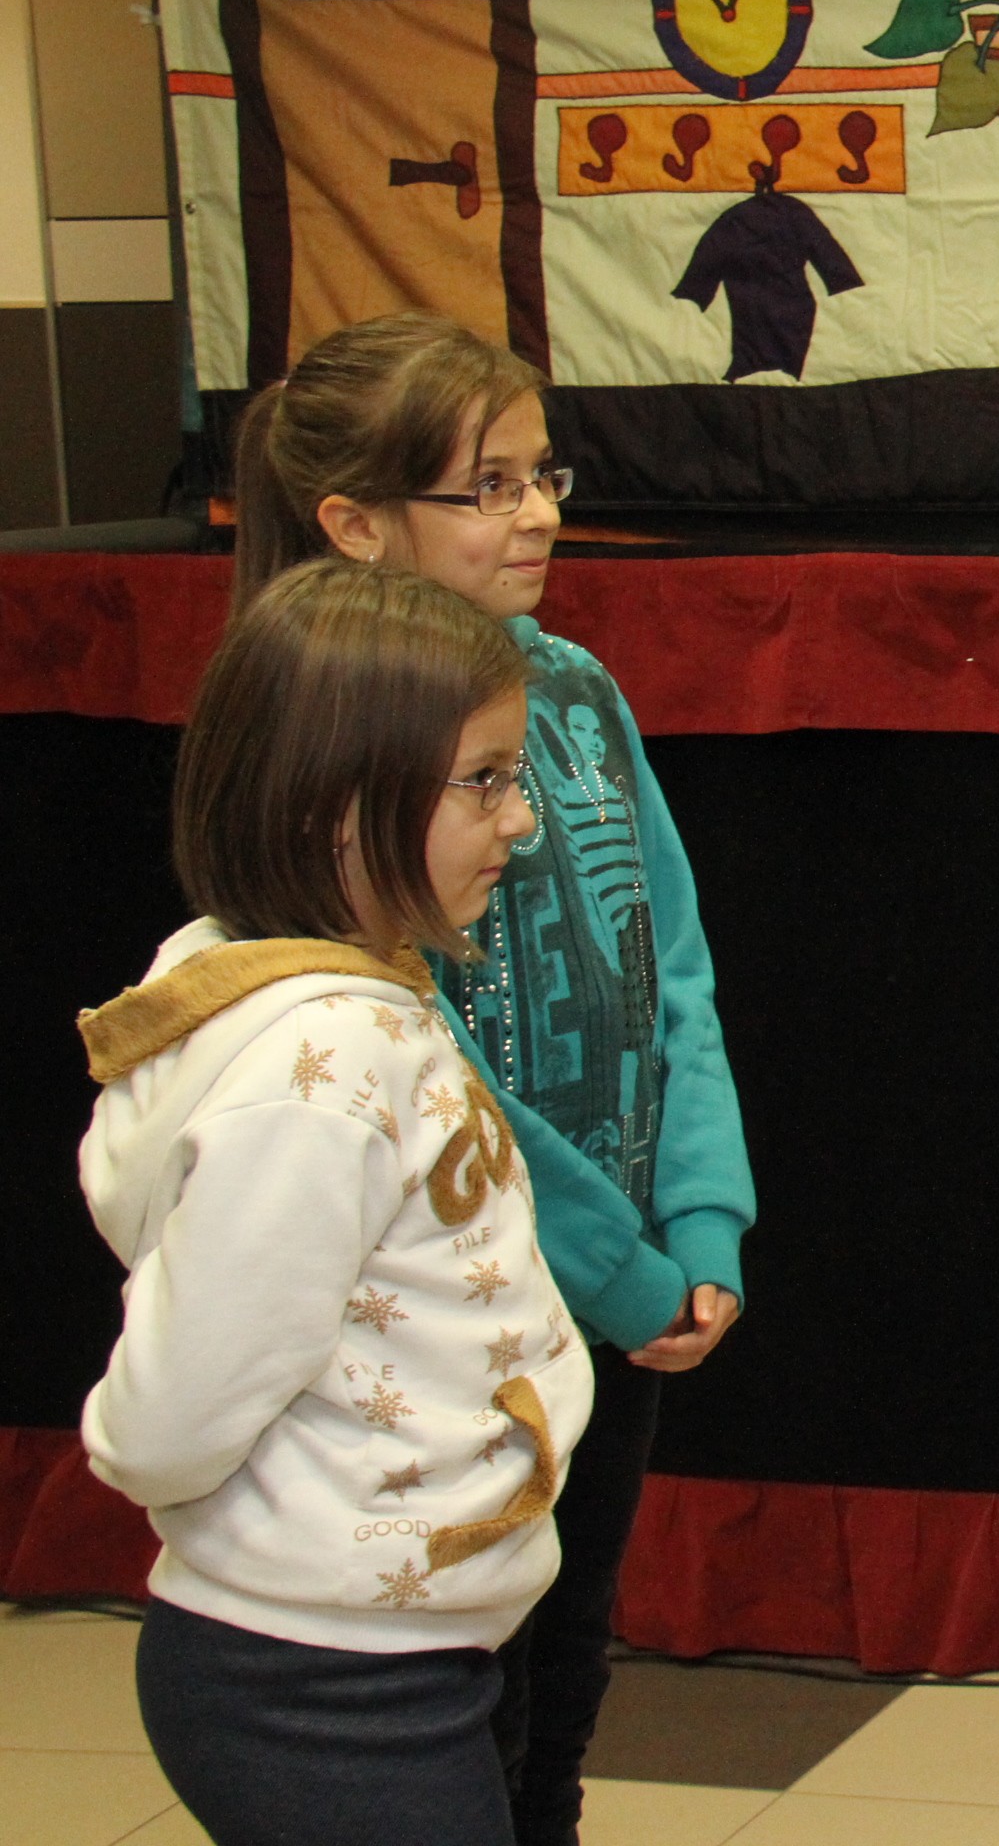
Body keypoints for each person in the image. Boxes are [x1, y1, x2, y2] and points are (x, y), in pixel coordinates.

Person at [234, 316, 757, 1846]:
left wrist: (700, 1223)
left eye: (543, 476)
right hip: (460, 1313)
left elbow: (669, 962)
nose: (536, 514)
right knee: (477, 1700)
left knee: (567, 1684)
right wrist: (615, 1265)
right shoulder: (330, 734)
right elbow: (427, 1062)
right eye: (488, 487)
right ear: (356, 523)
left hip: (624, 1294)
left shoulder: (576, 690)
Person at [77, 558, 594, 1846]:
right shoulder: (320, 1070)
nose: (520, 820)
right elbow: (178, 1405)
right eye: (484, 781)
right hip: (316, 1678)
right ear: (334, 809)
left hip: (398, 1644)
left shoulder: (353, 1002)